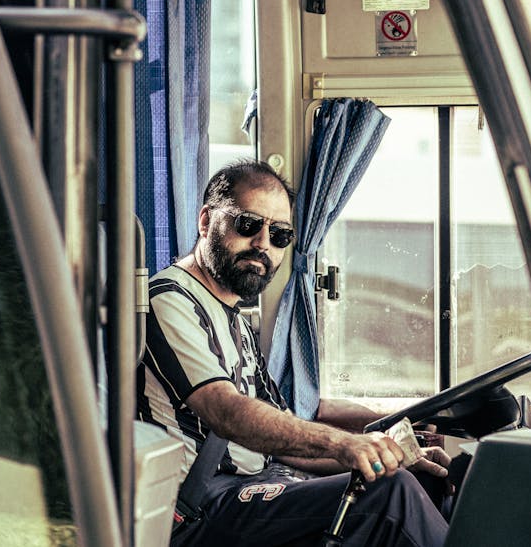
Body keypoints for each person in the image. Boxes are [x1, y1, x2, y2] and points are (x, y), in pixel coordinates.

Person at [138, 159, 449, 546]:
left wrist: (387, 455)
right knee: (392, 495)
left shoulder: (236, 321)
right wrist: (345, 444)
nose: (262, 244)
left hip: (255, 483)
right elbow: (225, 410)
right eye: (248, 224)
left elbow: (287, 440)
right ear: (206, 222)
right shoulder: (168, 301)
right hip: (199, 507)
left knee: (404, 478)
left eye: (280, 235)